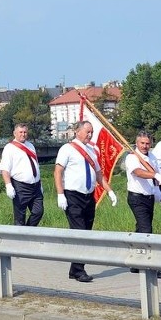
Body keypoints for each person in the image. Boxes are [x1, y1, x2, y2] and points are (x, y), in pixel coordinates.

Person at [54, 120, 117, 283]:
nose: (90, 135)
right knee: (80, 232)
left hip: (89, 197)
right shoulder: (67, 149)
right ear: (78, 132)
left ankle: (74, 269)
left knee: (86, 233)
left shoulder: (92, 150)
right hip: (73, 196)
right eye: (87, 132)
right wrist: (60, 194)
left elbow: (98, 173)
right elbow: (58, 172)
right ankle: (80, 271)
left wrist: (109, 191)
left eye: (92, 132)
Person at [125, 130, 161, 278]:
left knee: (141, 229)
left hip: (149, 197)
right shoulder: (132, 157)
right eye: (142, 143)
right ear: (137, 142)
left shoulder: (151, 156)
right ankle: (148, 265)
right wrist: (154, 175)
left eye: (147, 143)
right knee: (146, 230)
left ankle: (135, 263)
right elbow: (138, 172)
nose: (145, 146)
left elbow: (159, 175)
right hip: (136, 197)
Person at [0, 123, 44, 227]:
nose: (23, 134)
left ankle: (28, 232)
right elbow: (5, 169)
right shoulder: (9, 148)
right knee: (20, 217)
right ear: (15, 133)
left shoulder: (30, 145)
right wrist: (8, 185)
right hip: (20, 186)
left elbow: (36, 165)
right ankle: (20, 239)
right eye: (20, 132)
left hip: (35, 186)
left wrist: (40, 183)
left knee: (38, 212)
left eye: (25, 132)